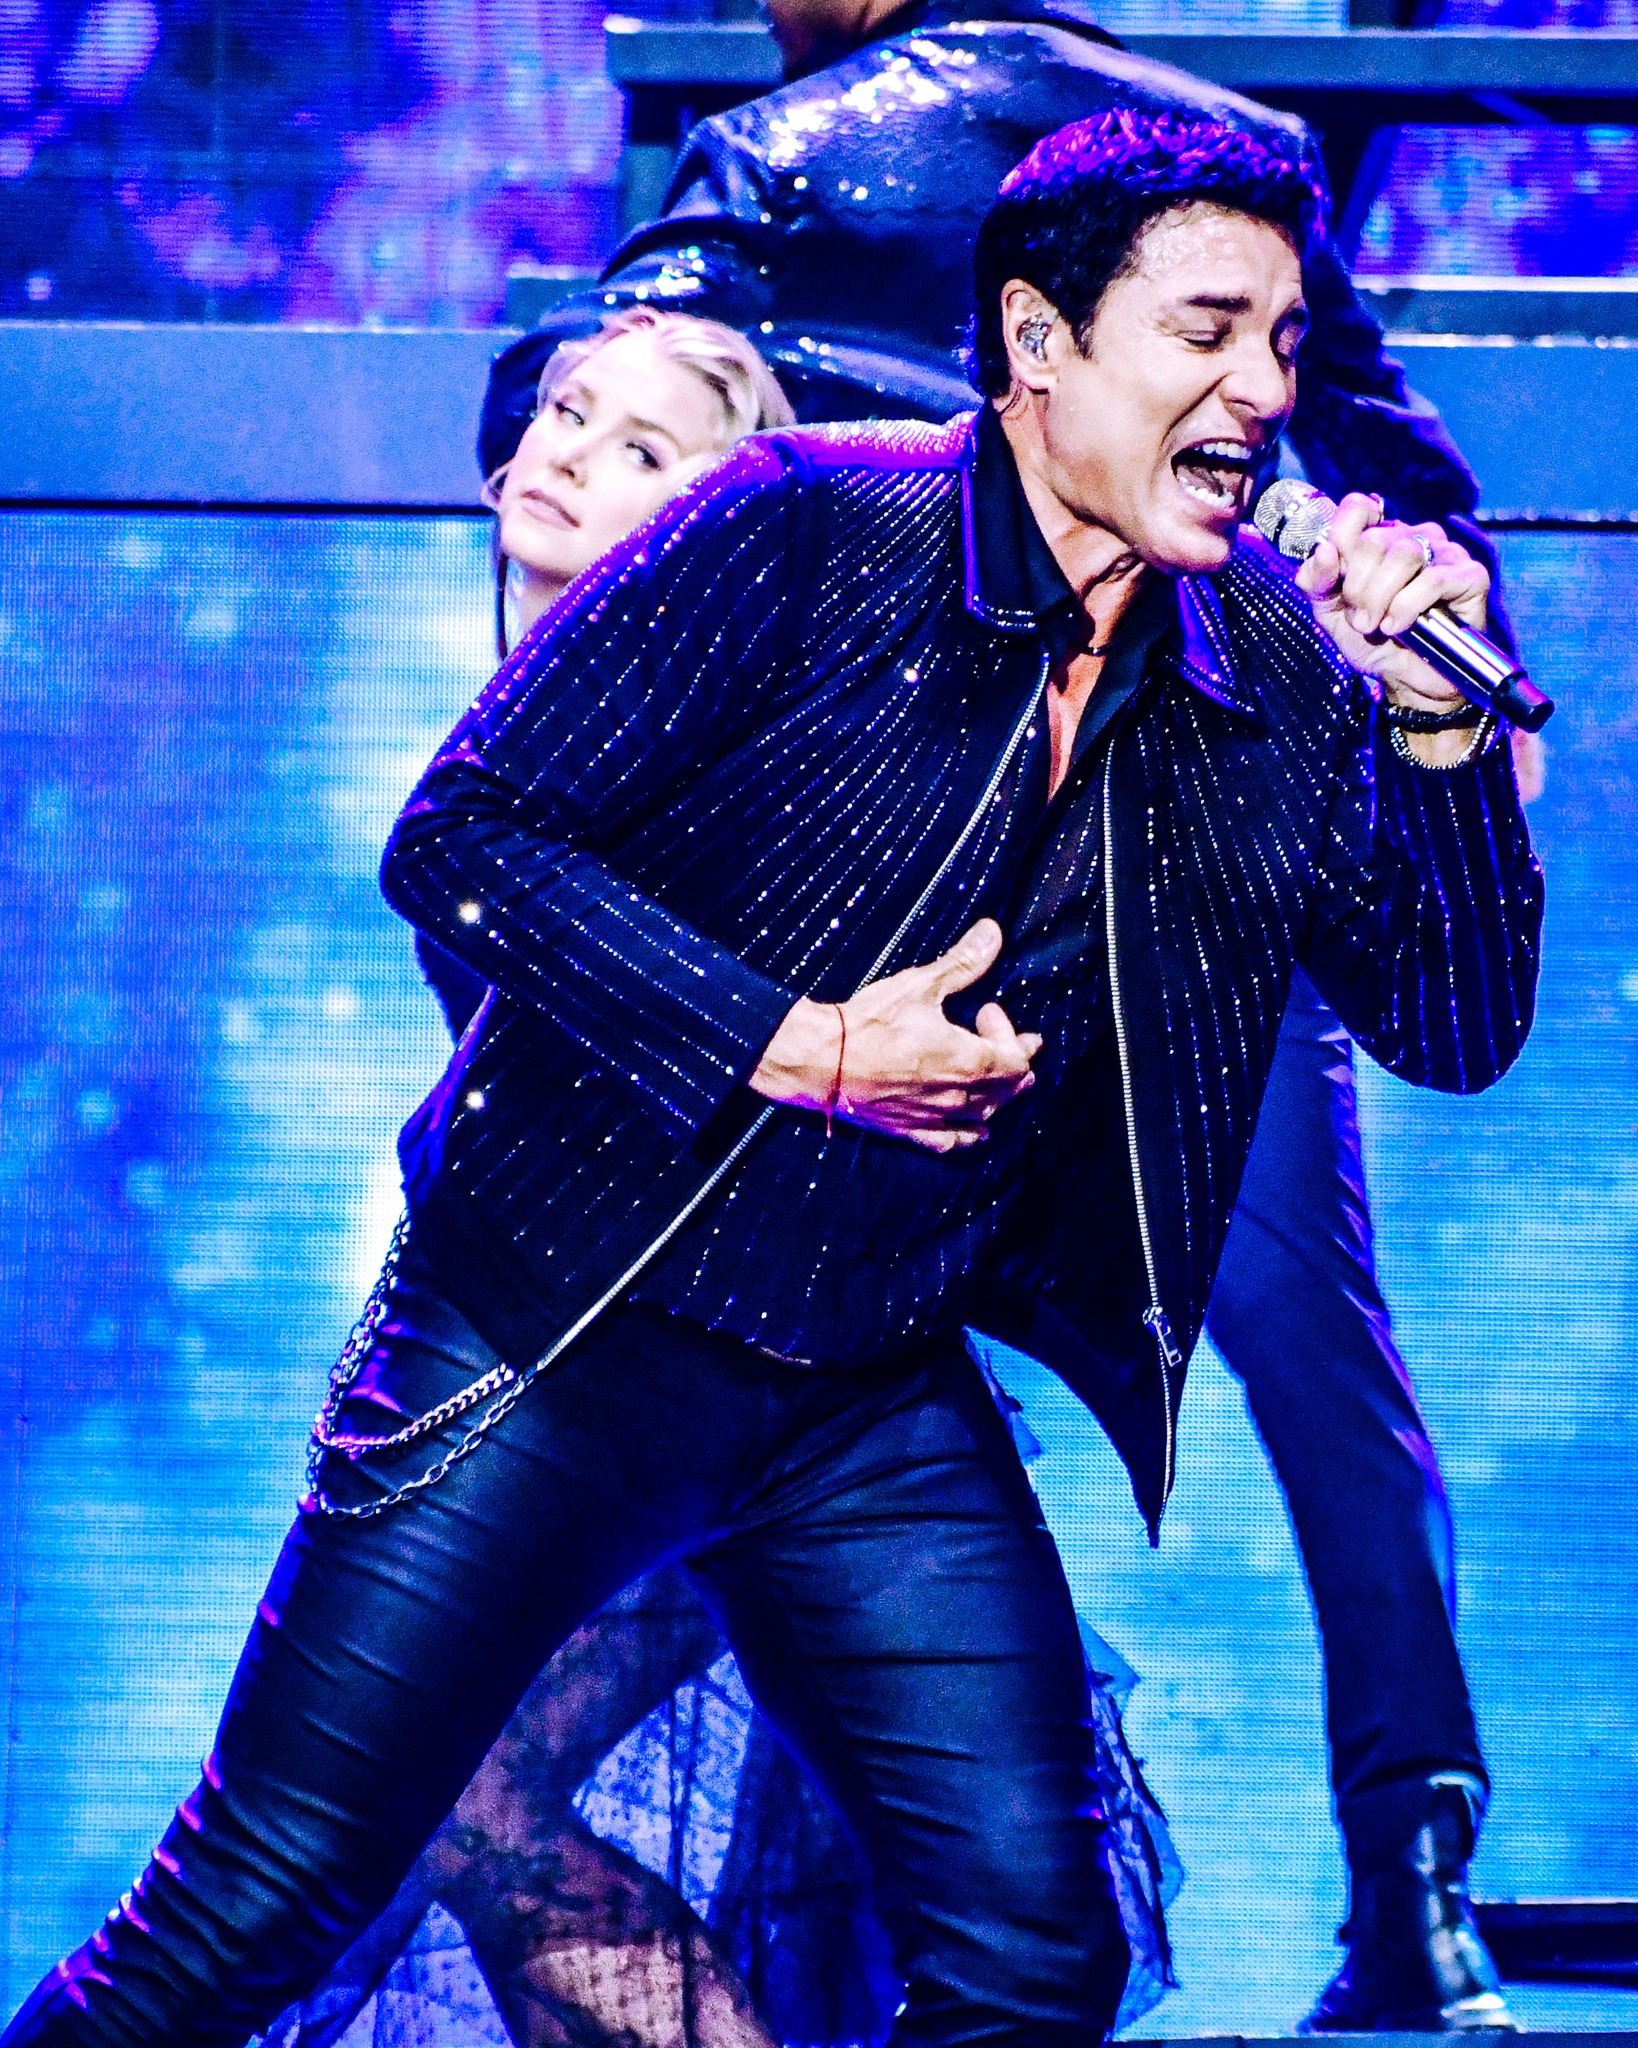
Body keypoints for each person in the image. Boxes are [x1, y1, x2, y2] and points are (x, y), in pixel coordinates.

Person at [1, 107, 1542, 2048]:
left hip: (858, 1386)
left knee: (1032, 1956)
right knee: (248, 1911)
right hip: (554, 1331)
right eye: (1208, 333)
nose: (1261, 392)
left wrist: (1437, 749)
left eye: (1287, 345)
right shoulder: (801, 523)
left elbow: (1454, 1024)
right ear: (1038, 340)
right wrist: (801, 1046)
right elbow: (462, 843)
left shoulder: (1260, 666)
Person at [480, 0, 1522, 2027]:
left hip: (903, 854)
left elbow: (602, 413)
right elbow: (1409, 476)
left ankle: (799, 1893)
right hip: (1176, 811)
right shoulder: (1222, 144)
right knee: (1317, 1358)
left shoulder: (785, 152)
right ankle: (1416, 1882)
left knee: (784, 1358)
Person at [287, 302, 1178, 2048]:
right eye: (565, 412)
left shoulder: (753, 757)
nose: (566, 457)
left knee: (467, 1814)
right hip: (567, 1363)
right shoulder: (520, 746)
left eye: (643, 452)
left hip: (719, 1384)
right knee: (453, 1826)